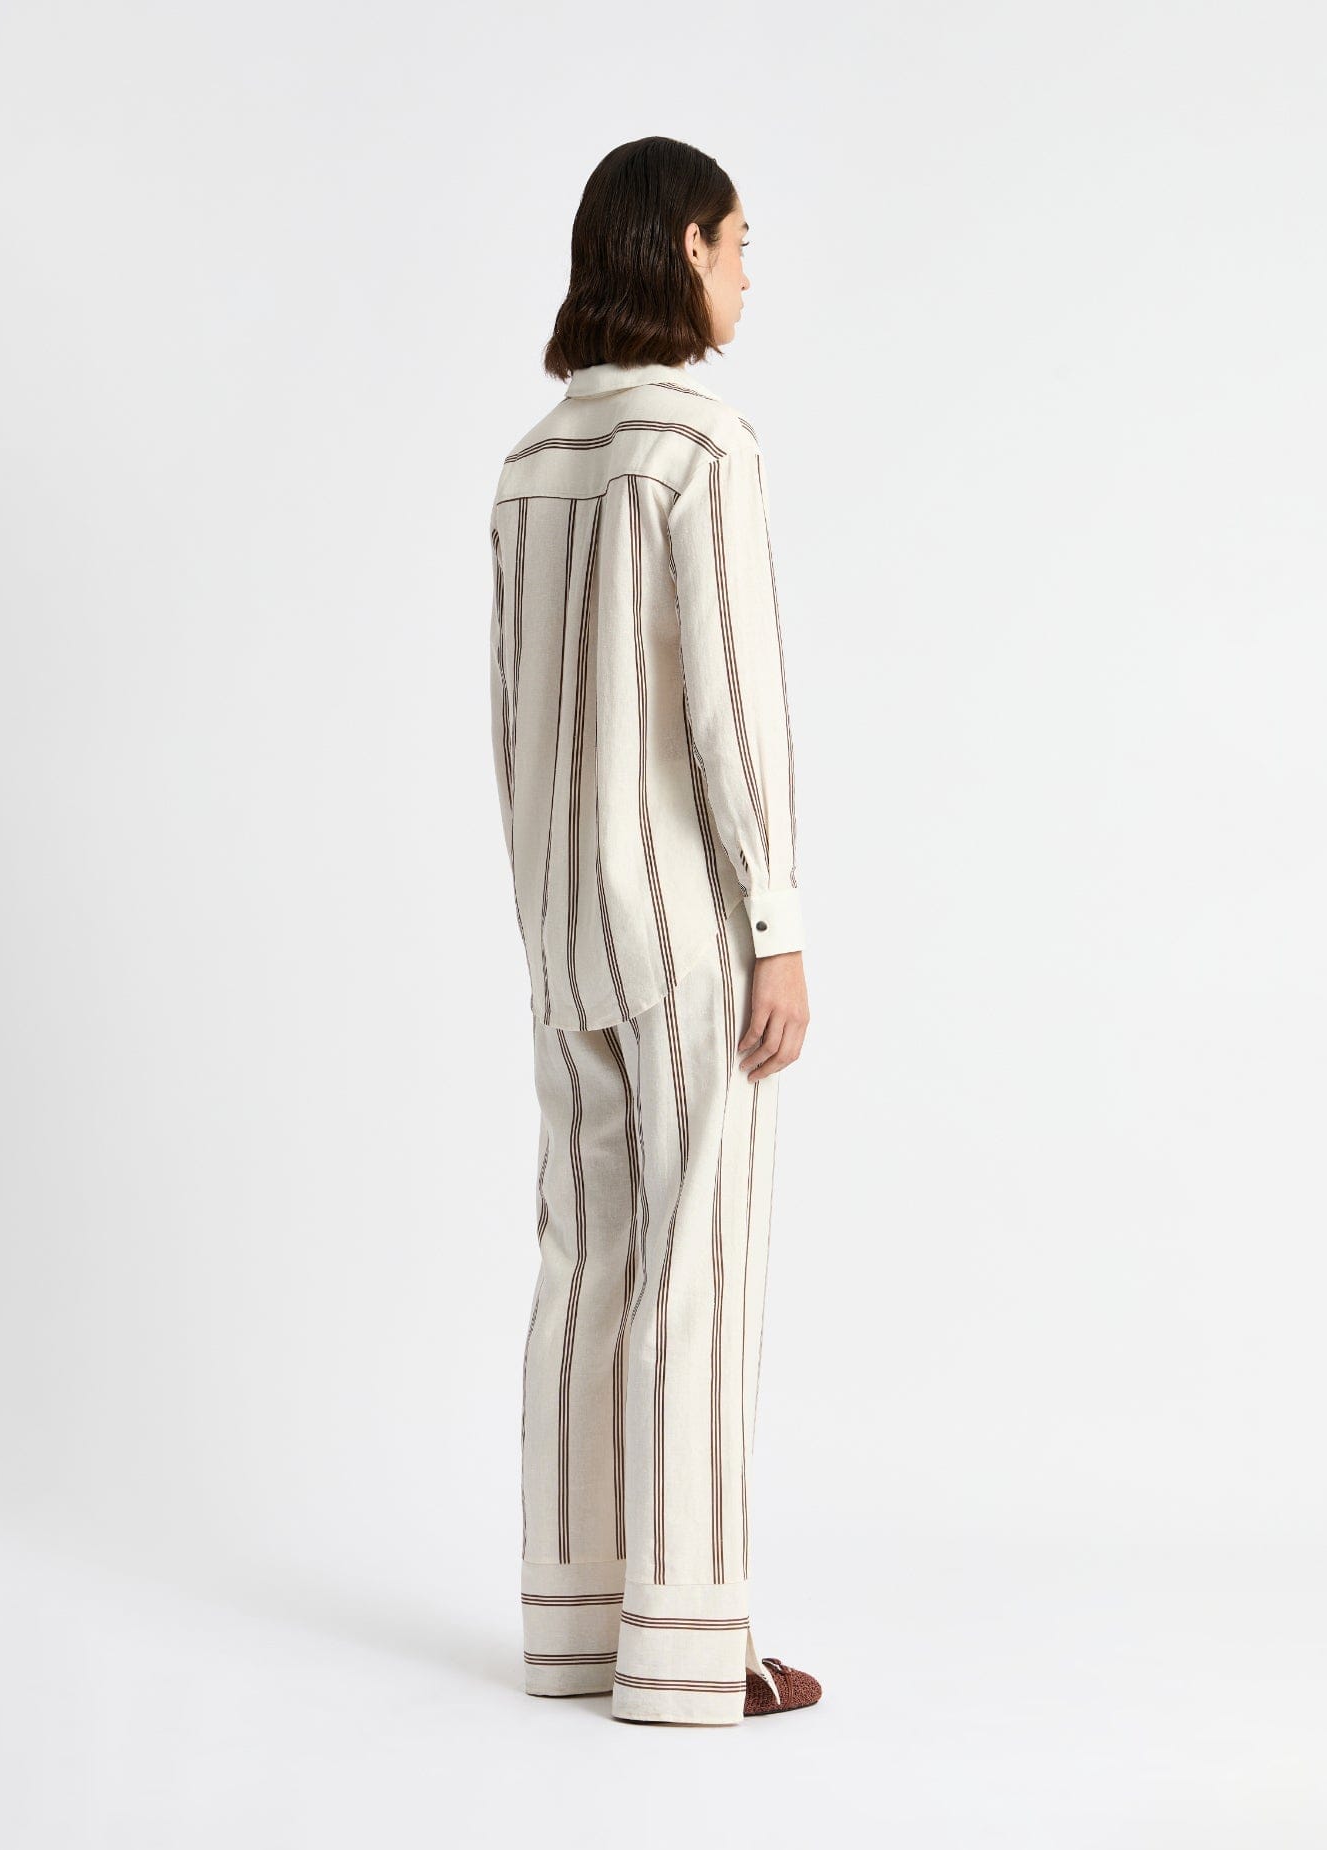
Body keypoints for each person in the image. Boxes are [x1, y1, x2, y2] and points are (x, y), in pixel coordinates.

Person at [487, 136, 821, 1727]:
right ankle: (686, 1652)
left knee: (585, 1265)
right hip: (685, 930)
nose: (748, 271)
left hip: (565, 930)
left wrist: (544, 917)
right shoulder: (700, 441)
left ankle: (571, 1630)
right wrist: (775, 917)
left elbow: (508, 720)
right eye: (737, 242)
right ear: (684, 245)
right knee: (695, 1271)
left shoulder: (531, 460)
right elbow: (733, 706)